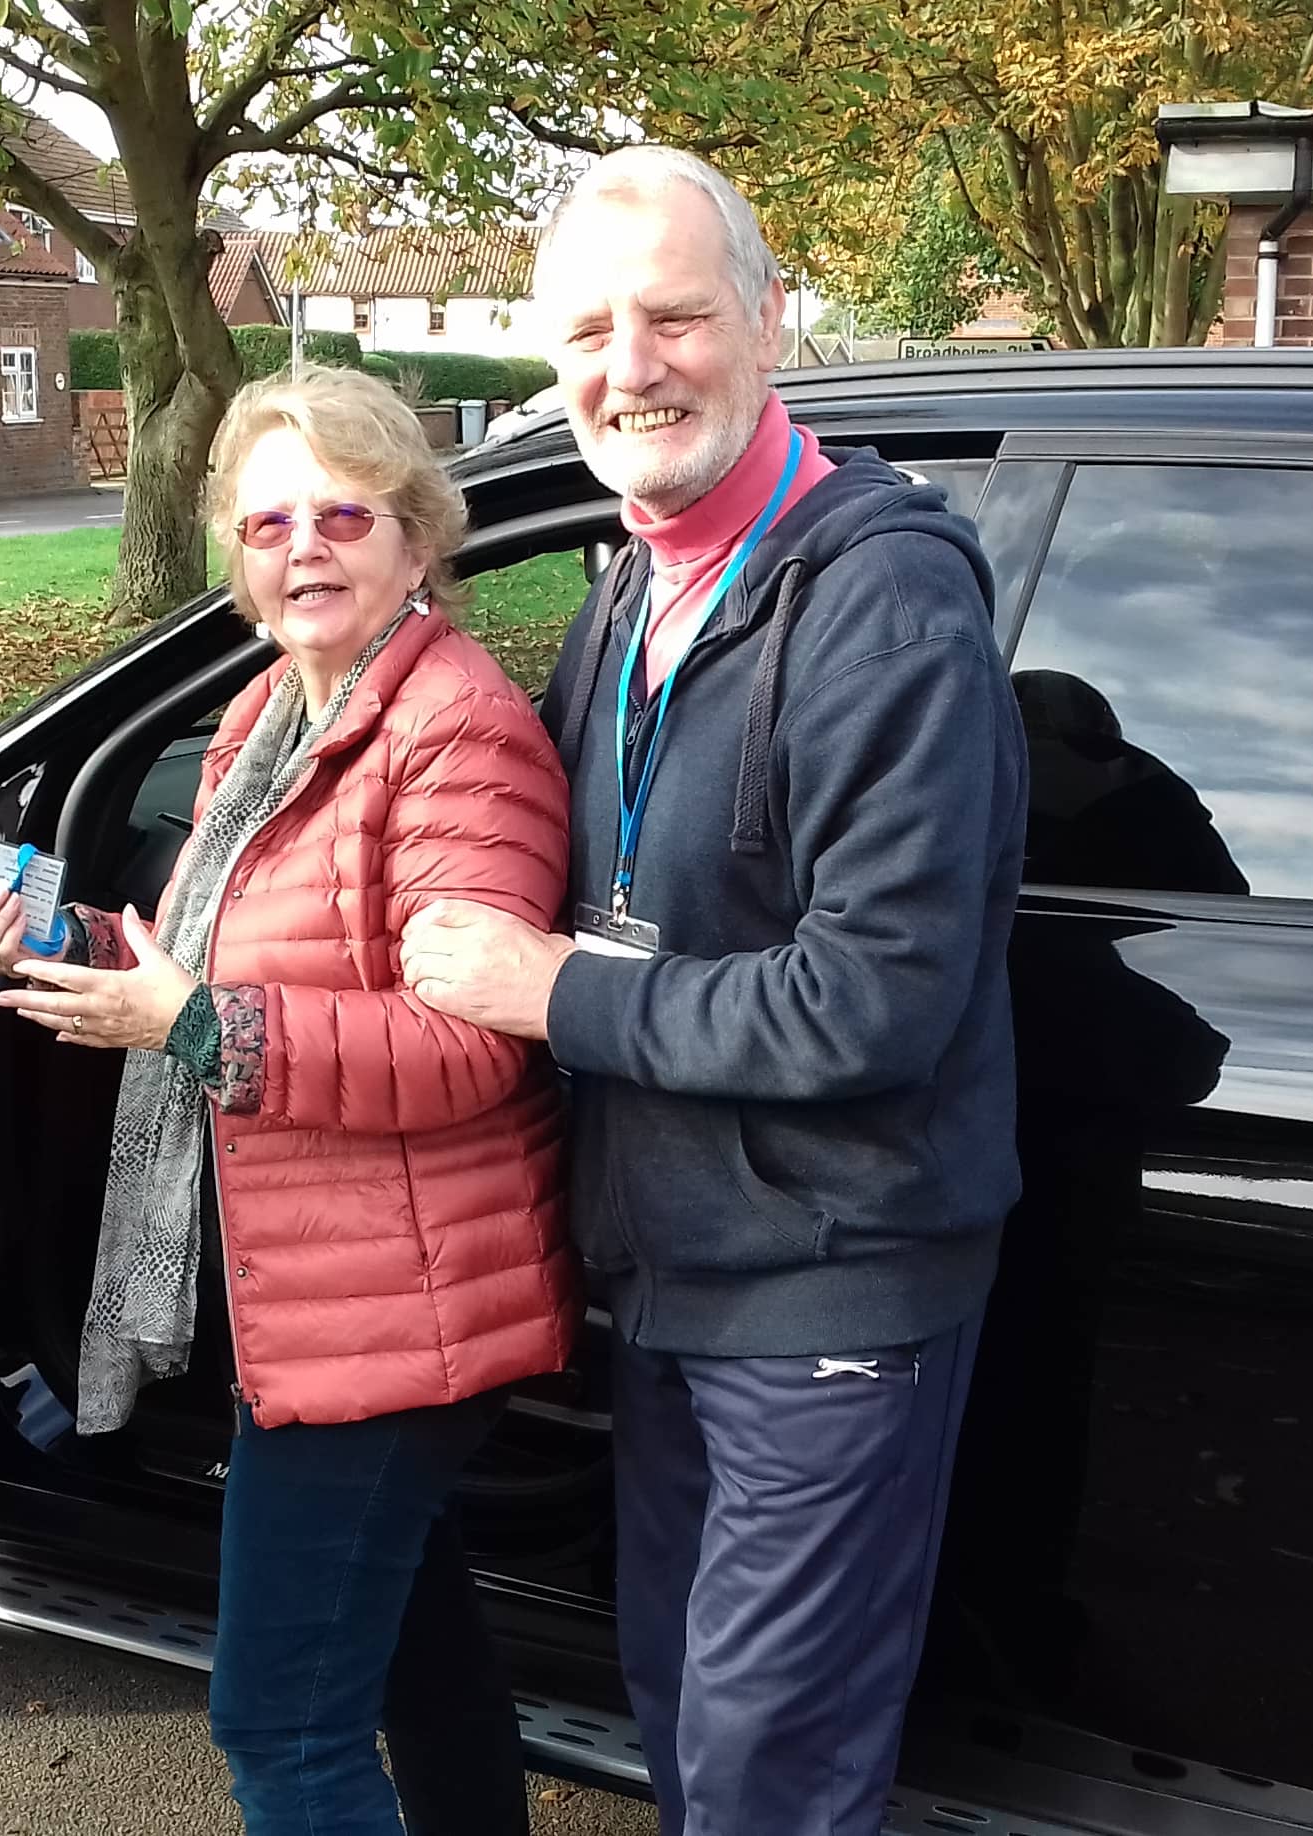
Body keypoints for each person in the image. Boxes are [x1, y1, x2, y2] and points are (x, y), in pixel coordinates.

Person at [399, 145, 1029, 1836]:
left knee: (769, 1776)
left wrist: (550, 995)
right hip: (672, 1269)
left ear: (766, 321)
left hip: (825, 1284)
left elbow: (870, 998)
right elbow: (587, 860)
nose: (629, 365)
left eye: (673, 315)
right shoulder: (637, 581)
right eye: (590, 330)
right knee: (687, 1722)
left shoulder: (881, 605)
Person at [0, 364, 578, 1836]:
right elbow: (213, 963)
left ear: (418, 537)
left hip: (395, 1313)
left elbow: (469, 1042)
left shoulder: (456, 732)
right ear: (234, 557)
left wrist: (188, 1027)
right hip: (328, 1295)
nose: (305, 546)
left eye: (344, 513)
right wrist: (73, 944)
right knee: (419, 1663)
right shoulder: (272, 716)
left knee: (280, 1725)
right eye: (267, 521)